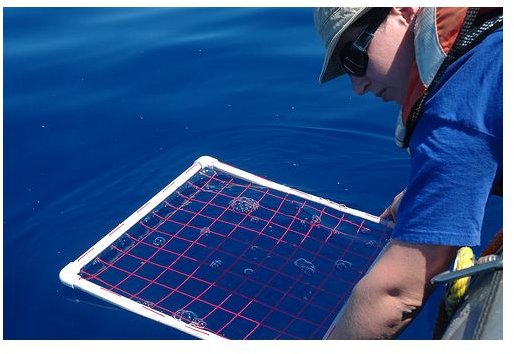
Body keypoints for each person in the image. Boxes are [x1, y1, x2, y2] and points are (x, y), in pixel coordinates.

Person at [313, 7, 502, 339]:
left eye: (353, 58)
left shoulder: (456, 111)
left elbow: (395, 293)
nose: (357, 86)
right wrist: (429, 194)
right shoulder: (491, 44)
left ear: (404, 12)